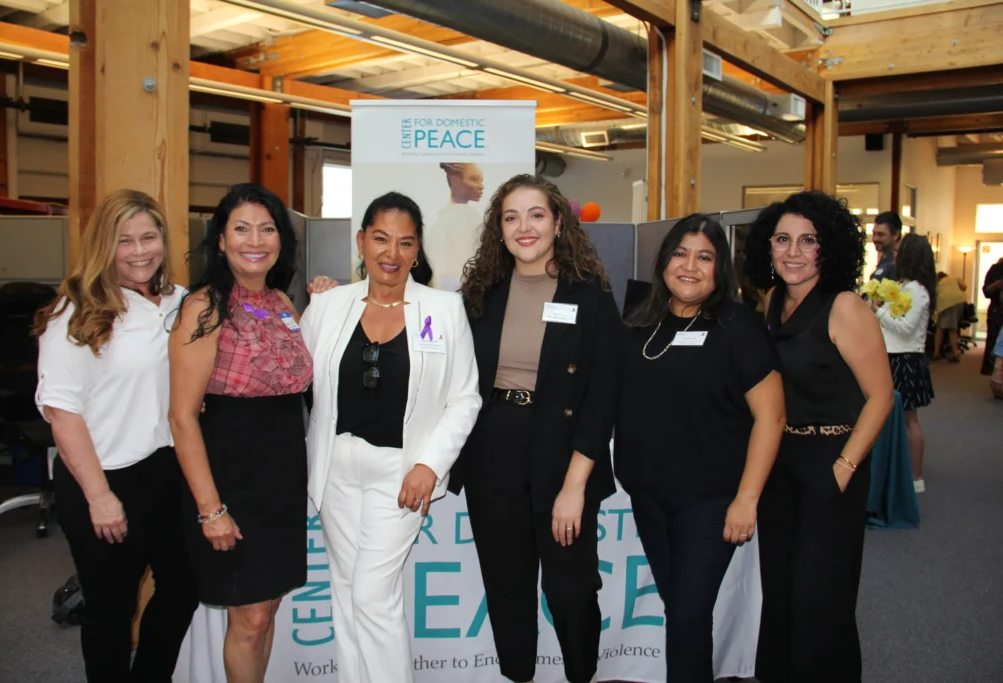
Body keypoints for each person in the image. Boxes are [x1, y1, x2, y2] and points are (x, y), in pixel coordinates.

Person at [297, 191, 481, 683]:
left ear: (417, 251)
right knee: (344, 591)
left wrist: (430, 465)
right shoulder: (328, 305)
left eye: (404, 243)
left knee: (372, 596)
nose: (390, 254)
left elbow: (465, 399)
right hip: (336, 467)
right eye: (380, 238)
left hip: (401, 474)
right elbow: (292, 377)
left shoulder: (443, 310)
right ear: (361, 241)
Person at [450, 174, 622, 683]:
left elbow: (603, 395)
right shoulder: (481, 292)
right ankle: (518, 676)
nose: (524, 227)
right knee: (507, 585)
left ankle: (579, 676)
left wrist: (575, 487)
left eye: (536, 215)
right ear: (498, 229)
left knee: (570, 590)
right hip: (493, 447)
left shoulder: (589, 293)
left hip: (564, 451)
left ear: (558, 222)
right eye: (510, 217)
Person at [33, 189, 198, 683]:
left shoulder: (179, 300)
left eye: (149, 237)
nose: (140, 250)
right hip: (102, 476)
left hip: (169, 470)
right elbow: (62, 414)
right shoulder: (75, 312)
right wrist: (100, 496)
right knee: (110, 609)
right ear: (105, 245)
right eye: (125, 240)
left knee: (183, 587)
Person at [614, 214, 785, 683]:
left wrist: (746, 499)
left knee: (688, 615)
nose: (690, 266)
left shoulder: (738, 327)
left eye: (704, 257)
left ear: (720, 268)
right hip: (648, 497)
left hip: (711, 502)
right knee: (681, 612)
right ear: (664, 259)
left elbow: (772, 417)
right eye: (680, 253)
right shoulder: (638, 321)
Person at [744, 190, 895, 683]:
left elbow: (881, 397)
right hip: (780, 463)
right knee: (782, 592)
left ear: (826, 249)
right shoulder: (771, 303)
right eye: (782, 239)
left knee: (821, 599)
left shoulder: (845, 307)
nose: (792, 251)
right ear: (768, 248)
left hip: (832, 462)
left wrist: (844, 469)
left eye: (806, 241)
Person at [168, 183, 312, 683]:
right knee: (248, 616)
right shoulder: (204, 309)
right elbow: (182, 417)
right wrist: (211, 509)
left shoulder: (282, 304)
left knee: (265, 609)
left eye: (267, 228)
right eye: (242, 229)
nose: (256, 240)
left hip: (281, 480)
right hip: (229, 478)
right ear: (222, 241)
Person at [874, 234, 936, 492]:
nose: (895, 255)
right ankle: (899, 472)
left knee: (909, 419)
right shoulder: (904, 286)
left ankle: (916, 477)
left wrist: (877, 311)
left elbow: (905, 328)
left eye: (900, 251)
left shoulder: (917, 291)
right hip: (893, 356)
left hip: (905, 359)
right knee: (891, 418)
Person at [427, 162, 486, 292]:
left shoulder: (438, 224)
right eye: (474, 179)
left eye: (481, 180)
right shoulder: (468, 219)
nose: (481, 186)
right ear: (455, 181)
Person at [933, 271, 967, 362]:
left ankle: (948, 353)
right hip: (958, 301)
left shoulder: (937, 283)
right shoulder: (955, 278)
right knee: (947, 327)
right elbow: (964, 287)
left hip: (945, 302)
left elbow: (934, 295)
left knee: (944, 328)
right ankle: (951, 352)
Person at [981, 257, 1003, 375]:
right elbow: (986, 291)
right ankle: (995, 372)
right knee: (995, 341)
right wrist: (996, 284)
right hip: (998, 309)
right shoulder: (996, 269)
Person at [870, 211, 903, 281]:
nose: (875, 239)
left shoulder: (899, 263)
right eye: (874, 234)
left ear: (896, 235)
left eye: (880, 235)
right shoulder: (884, 259)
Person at [989, 326, 1003, 399]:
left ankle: (997, 388)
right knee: (998, 370)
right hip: (1000, 351)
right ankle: (997, 389)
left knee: (998, 370)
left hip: (1000, 350)